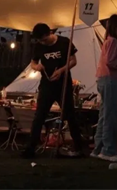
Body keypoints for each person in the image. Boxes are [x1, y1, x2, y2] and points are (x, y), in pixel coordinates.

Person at [21, 23, 83, 158]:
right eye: (40, 41)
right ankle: (30, 148)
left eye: (44, 39)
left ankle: (79, 147)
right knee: (39, 116)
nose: (43, 43)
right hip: (46, 85)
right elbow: (33, 63)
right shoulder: (39, 46)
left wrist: (61, 71)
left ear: (49, 33)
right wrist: (37, 67)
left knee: (70, 115)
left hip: (63, 84)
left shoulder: (64, 42)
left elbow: (73, 61)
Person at [92, 15, 117, 163]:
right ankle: (108, 150)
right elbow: (111, 62)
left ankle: (98, 148)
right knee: (111, 115)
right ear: (114, 27)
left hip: (103, 78)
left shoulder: (108, 41)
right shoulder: (113, 42)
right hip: (110, 79)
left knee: (104, 114)